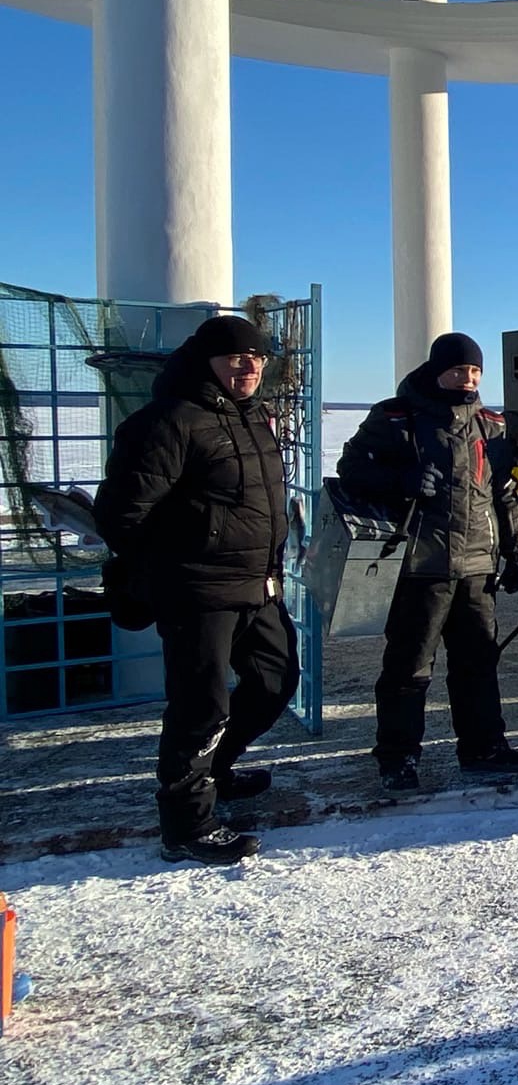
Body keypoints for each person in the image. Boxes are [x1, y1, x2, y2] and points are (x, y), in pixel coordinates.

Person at [94, 316, 298, 864]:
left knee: (276, 681)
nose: (249, 367)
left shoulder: (253, 419)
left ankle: (216, 770)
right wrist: (174, 562)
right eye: (236, 358)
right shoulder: (167, 422)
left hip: (258, 583)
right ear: (206, 361)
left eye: (256, 358)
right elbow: (120, 515)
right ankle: (187, 824)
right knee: (199, 704)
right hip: (198, 590)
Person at [336, 332, 518, 790]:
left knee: (478, 663)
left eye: (474, 372)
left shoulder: (490, 424)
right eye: (457, 370)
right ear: (436, 370)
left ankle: (484, 746)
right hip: (418, 565)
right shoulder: (395, 416)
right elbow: (353, 470)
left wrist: (517, 552)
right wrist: (401, 479)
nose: (466, 379)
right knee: (410, 666)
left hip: (475, 567)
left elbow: (504, 495)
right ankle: (398, 756)